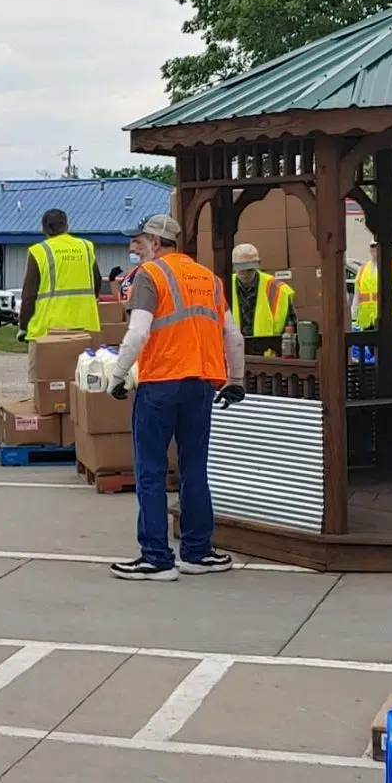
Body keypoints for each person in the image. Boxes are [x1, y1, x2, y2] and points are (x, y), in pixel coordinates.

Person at [107, 213, 245, 581]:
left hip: (160, 384)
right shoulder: (207, 279)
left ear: (155, 241)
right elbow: (233, 335)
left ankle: (156, 557)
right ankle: (197, 553)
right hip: (201, 385)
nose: (135, 248)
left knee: (150, 471)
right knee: (194, 468)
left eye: (139, 241)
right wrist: (236, 378)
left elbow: (137, 334)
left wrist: (118, 376)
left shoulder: (150, 277)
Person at [25, 208, 101, 337]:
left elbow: (29, 295)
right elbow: (97, 281)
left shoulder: (39, 251)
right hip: (85, 324)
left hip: (49, 327)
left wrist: (23, 325)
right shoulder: (86, 247)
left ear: (44, 229)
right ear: (67, 226)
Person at [229, 243, 295, 338]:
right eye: (241, 269)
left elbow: (291, 327)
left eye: (249, 269)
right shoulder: (223, 286)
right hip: (233, 349)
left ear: (258, 264)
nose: (245, 273)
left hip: (268, 349)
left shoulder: (278, 289)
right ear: (233, 266)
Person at [353, 243, 384, 330]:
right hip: (366, 319)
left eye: (377, 246)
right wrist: (353, 314)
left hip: (384, 318)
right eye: (372, 246)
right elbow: (357, 294)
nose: (375, 249)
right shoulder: (362, 269)